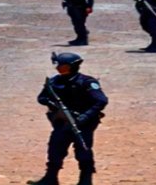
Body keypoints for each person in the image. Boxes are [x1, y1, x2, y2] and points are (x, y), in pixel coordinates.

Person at [28, 52, 108, 185]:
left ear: (73, 67)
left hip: (84, 123)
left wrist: (84, 117)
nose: (59, 68)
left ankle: (85, 180)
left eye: (63, 66)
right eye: (58, 66)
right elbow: (41, 97)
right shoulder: (55, 81)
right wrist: (53, 105)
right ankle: (51, 178)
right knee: (55, 148)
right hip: (62, 122)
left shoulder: (86, 82)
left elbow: (101, 101)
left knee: (83, 150)